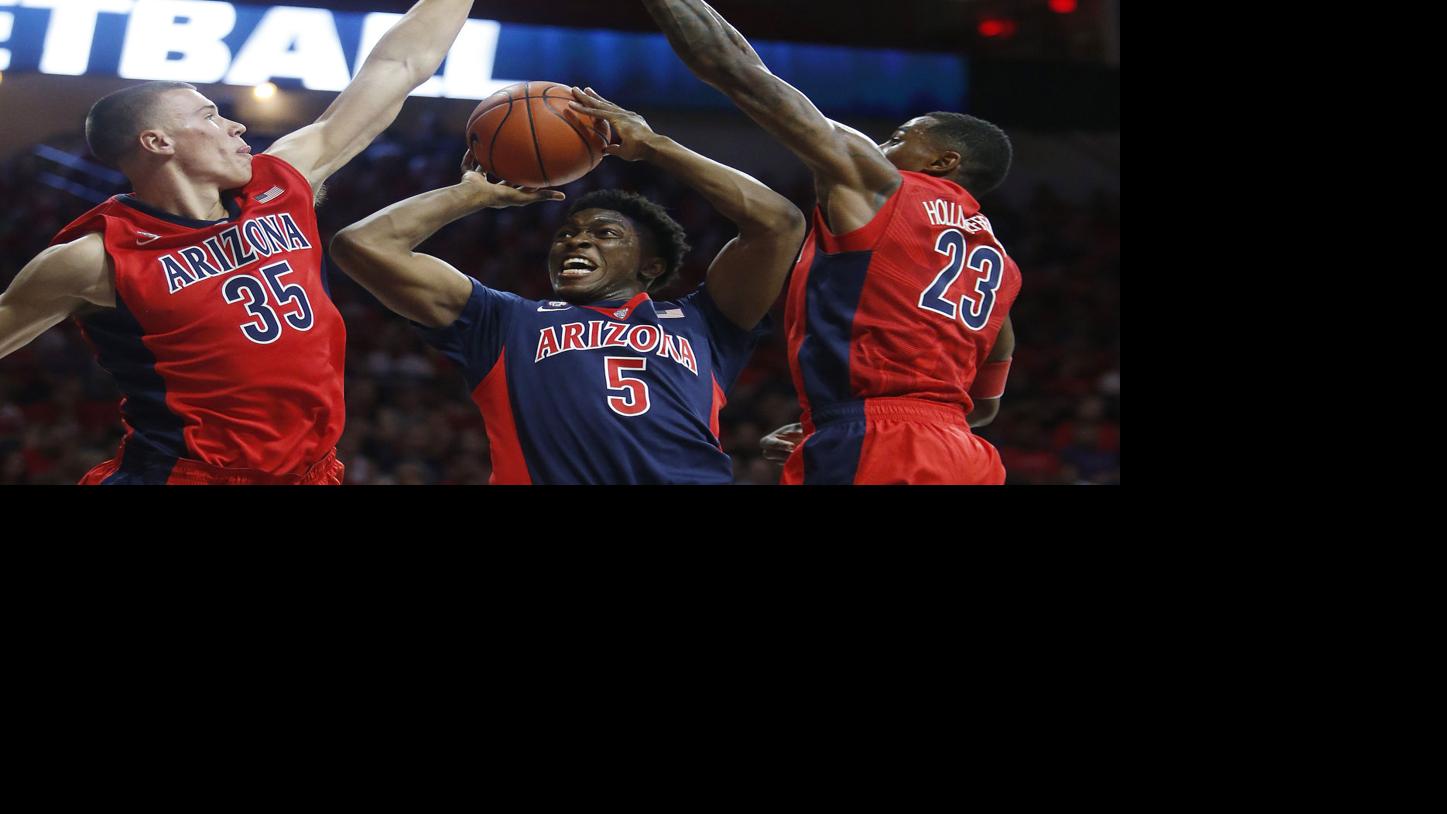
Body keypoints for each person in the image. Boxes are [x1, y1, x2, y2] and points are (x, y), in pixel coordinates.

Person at [0, 1, 478, 485]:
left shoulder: (282, 184)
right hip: (185, 476)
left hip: (311, 473)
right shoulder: (96, 257)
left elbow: (398, 66)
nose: (237, 125)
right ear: (158, 142)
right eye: (210, 116)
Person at [329, 87, 804, 484]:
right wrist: (466, 194)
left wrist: (657, 146)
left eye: (605, 234)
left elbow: (778, 223)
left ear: (652, 265)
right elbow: (362, 245)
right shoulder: (504, 320)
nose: (576, 240)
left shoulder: (705, 321)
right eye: (566, 234)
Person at [644, 0, 1021, 485]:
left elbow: (735, 67)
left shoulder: (883, 186)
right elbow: (985, 405)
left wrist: (867, 425)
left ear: (943, 162)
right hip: (966, 456)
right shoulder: (1002, 269)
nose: (882, 147)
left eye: (899, 138)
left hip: (878, 442)